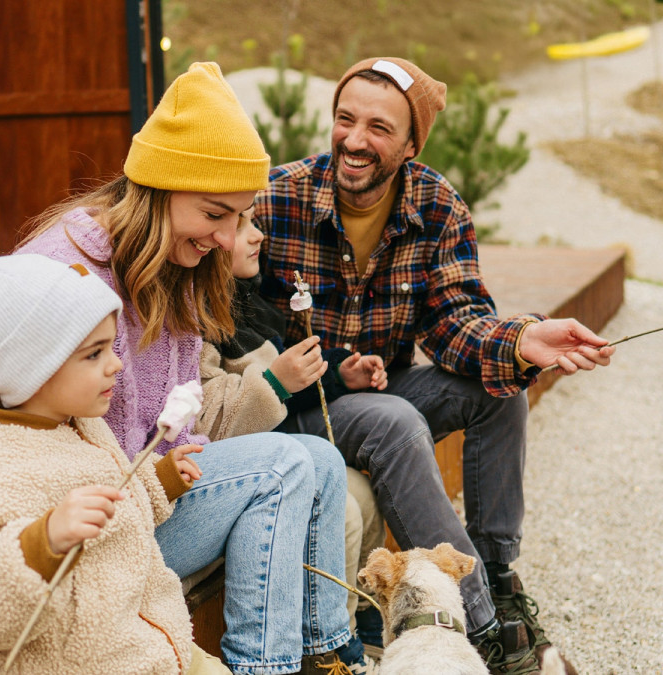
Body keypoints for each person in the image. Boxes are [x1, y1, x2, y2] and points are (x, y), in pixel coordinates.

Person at [0, 62, 354, 675]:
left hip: (142, 498)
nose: (229, 239)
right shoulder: (53, 282)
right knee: (283, 464)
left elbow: (184, 420)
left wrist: (196, 449)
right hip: (79, 536)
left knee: (322, 460)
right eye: (215, 214)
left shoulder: (178, 271)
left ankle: (330, 653)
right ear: (159, 190)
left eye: (240, 216)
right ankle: (263, 667)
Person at [254, 57, 614, 675]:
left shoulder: (438, 206)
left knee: (499, 389)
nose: (356, 140)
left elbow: (455, 324)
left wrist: (523, 340)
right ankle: (482, 626)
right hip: (291, 410)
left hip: (380, 393)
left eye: (379, 128)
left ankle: (496, 574)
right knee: (393, 418)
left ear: (412, 143)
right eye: (345, 120)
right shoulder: (276, 199)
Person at [0, 245, 225, 673]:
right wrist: (42, 542)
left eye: (110, 347)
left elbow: (115, 505)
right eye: (94, 353)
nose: (117, 363)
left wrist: (159, 482)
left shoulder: (82, 425)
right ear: (33, 368)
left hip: (150, 645)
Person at [194, 213, 388, 674]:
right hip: (243, 471)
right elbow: (227, 412)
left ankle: (357, 627)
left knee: (362, 490)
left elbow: (285, 380)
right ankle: (325, 650)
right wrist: (276, 384)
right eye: (242, 227)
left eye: (253, 222)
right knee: (342, 513)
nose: (258, 235)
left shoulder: (250, 304)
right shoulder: (203, 321)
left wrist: (339, 371)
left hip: (277, 455)